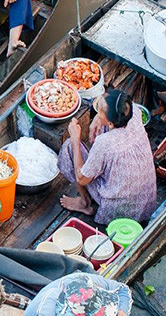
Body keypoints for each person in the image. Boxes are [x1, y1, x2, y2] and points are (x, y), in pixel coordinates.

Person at [57, 90, 157, 224]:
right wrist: (97, 119)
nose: (97, 113)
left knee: (69, 146)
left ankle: (84, 202)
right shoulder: (135, 112)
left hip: (117, 209)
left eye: (100, 111)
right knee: (101, 129)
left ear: (110, 123)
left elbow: (81, 178)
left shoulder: (105, 143)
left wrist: (75, 139)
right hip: (144, 202)